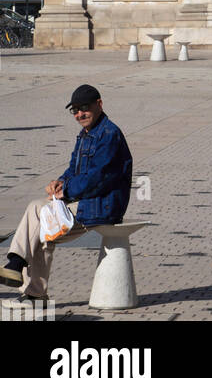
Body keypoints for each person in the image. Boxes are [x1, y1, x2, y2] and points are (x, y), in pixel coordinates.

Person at [0, 84, 132, 301]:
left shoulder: (109, 135)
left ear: (99, 104)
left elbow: (98, 177)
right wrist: (60, 182)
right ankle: (28, 283)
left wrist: (67, 191)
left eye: (84, 108)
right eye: (75, 110)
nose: (80, 114)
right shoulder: (85, 134)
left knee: (41, 217)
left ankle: (21, 271)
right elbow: (74, 169)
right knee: (40, 219)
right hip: (86, 201)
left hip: (103, 205)